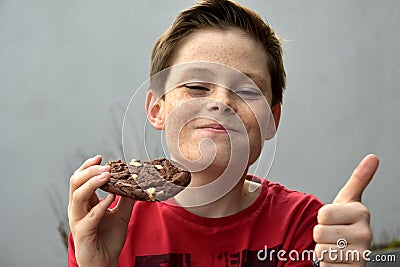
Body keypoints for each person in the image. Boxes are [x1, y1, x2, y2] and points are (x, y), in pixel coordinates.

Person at [67, 0, 379, 266]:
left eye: (246, 90)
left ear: (272, 120)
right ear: (156, 109)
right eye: (196, 87)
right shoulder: (102, 227)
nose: (220, 103)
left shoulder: (307, 226)